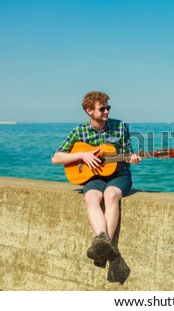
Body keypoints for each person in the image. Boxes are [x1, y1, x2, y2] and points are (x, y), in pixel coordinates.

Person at [52, 91, 141, 267]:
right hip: (94, 176)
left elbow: (128, 152)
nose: (107, 112)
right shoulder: (79, 131)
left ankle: (101, 247)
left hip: (119, 174)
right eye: (102, 109)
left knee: (110, 195)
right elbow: (56, 157)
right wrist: (83, 155)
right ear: (89, 110)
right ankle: (105, 246)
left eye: (108, 107)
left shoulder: (120, 127)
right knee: (91, 197)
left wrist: (133, 158)